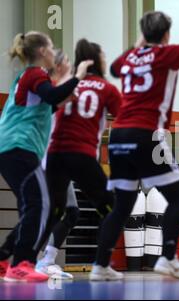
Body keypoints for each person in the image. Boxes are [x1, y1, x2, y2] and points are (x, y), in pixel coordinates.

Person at [92, 0, 179, 281]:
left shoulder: (129, 58)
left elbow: (113, 68)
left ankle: (100, 266)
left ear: (143, 35)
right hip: (145, 133)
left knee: (122, 204)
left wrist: (140, 46)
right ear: (166, 36)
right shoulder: (167, 54)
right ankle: (168, 257)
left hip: (118, 136)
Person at [0, 31, 92, 282]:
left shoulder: (27, 78)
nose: (53, 51)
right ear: (42, 52)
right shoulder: (36, 74)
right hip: (20, 147)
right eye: (51, 47)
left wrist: (63, 99)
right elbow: (51, 96)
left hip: (12, 148)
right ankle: (21, 264)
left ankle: (5, 258)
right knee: (42, 206)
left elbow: (48, 104)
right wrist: (78, 77)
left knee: (33, 208)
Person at [37, 39, 121, 282]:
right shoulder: (67, 87)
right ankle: (98, 263)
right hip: (60, 155)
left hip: (53, 155)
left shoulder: (64, 87)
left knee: (66, 212)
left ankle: (38, 260)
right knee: (70, 211)